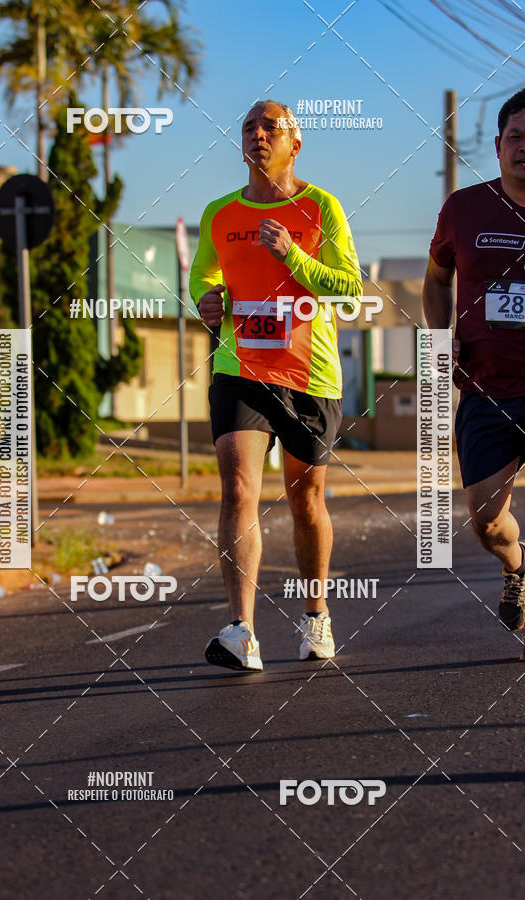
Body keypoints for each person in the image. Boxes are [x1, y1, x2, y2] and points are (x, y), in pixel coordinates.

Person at [189, 99, 362, 671]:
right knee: (239, 489)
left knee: (304, 499)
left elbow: (349, 290)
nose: (258, 135)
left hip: (309, 375)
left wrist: (293, 256)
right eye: (249, 127)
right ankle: (242, 629)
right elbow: (203, 285)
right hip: (239, 366)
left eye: (272, 127)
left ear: (296, 143)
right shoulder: (219, 213)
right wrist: (207, 303)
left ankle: (317, 617)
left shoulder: (320, 207)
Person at [423, 88, 525, 633]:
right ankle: (518, 566)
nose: (524, 148)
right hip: (487, 388)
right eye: (516, 138)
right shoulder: (464, 208)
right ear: (498, 144)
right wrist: (440, 340)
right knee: (486, 521)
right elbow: (437, 280)